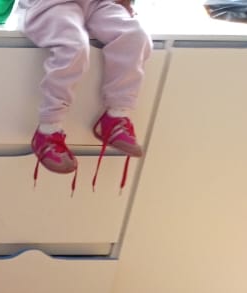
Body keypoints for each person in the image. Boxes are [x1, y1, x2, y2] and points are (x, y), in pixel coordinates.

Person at [15, 0, 152, 186]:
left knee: (136, 36)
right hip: (53, 4)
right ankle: (48, 129)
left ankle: (116, 115)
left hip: (97, 4)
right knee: (74, 47)